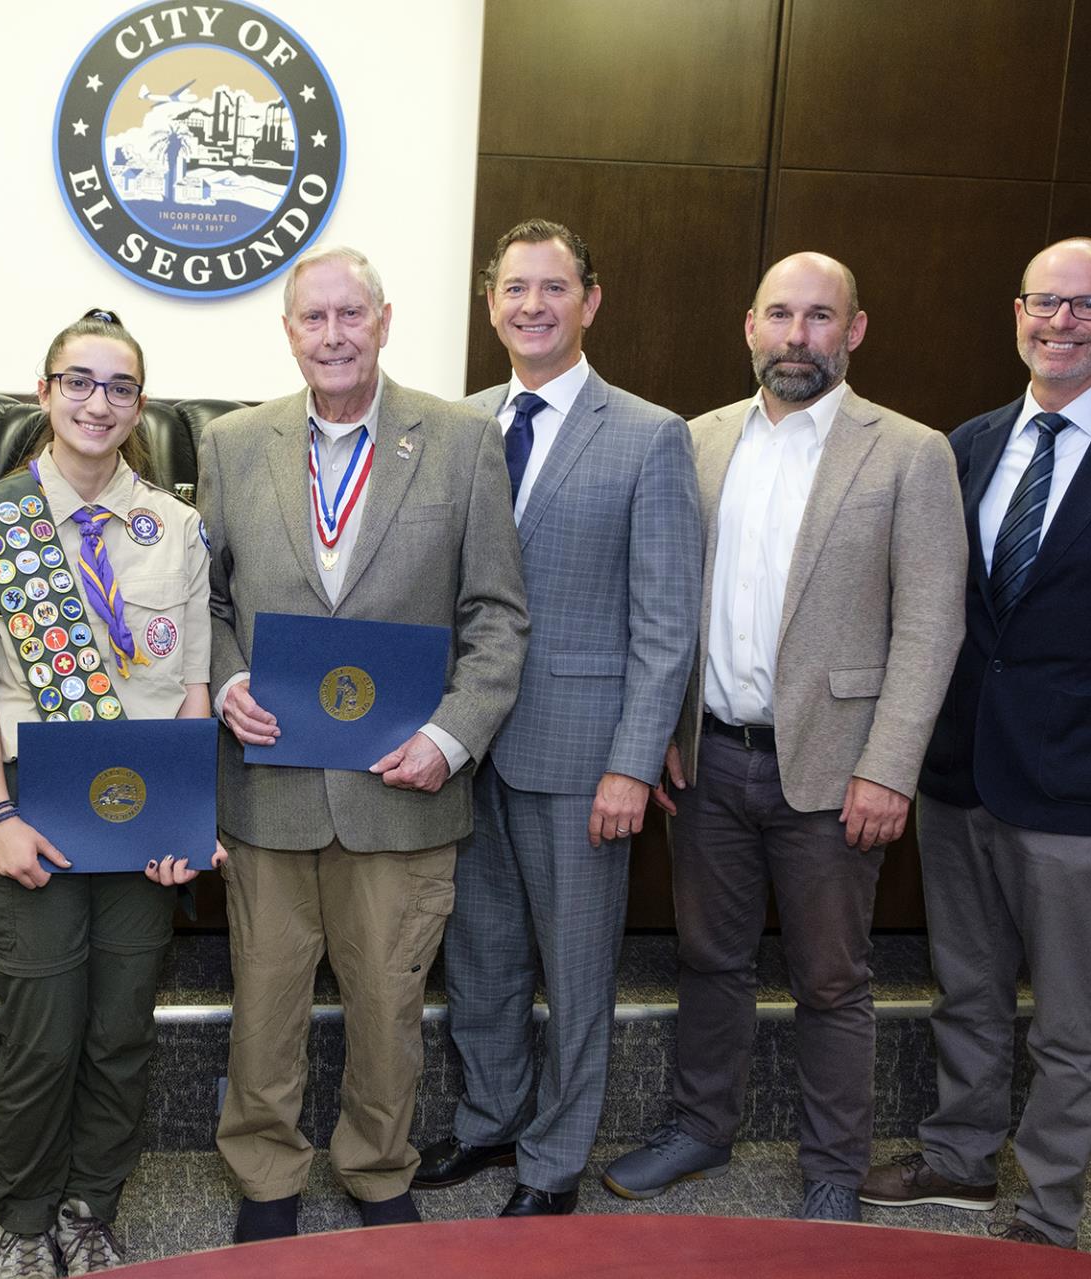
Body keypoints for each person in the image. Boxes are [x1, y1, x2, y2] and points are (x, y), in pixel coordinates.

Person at [861, 238, 1091, 1248]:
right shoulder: (969, 443)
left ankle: (1052, 1203)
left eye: (1086, 307)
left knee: (1072, 1018)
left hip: (1086, 783)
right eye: (1044, 303)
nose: (1060, 323)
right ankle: (959, 1158)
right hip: (962, 769)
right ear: (1016, 310)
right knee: (967, 986)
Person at [601, 252, 966, 1222]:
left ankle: (834, 1168)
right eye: (780, 316)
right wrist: (666, 729)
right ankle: (698, 1127)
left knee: (834, 979)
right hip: (709, 757)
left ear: (855, 330)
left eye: (819, 317)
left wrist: (889, 767)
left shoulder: (909, 452)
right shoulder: (697, 441)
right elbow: (668, 600)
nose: (797, 336)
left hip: (839, 768)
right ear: (749, 326)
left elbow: (932, 626)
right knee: (707, 957)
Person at [199, 246, 529, 1242]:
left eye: (352, 315)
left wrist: (450, 736)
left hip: (405, 783)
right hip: (271, 782)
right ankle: (266, 1173)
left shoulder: (464, 441)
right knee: (266, 993)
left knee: (388, 999)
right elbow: (203, 598)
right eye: (315, 318)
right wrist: (224, 681)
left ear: (384, 322)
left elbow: (498, 617)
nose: (334, 335)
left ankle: (379, 1164)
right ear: (290, 331)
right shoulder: (231, 443)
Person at [0, 308, 221, 1278]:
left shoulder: (175, 527)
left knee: (123, 1025)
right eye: (79, 381)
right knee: (43, 1033)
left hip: (141, 814)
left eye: (121, 386)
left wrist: (186, 820)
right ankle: (25, 1213)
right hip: (31, 810)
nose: (100, 402)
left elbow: (194, 690)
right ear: (42, 393)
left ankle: (92, 1204)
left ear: (141, 406)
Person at [414, 219, 701, 1215]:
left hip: (581, 757)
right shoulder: (457, 423)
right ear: (489, 301)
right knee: (480, 957)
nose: (531, 305)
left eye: (553, 287)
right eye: (513, 288)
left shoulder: (649, 433)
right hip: (462, 748)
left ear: (591, 299)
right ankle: (491, 1121)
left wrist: (632, 760)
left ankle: (554, 1158)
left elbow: (667, 620)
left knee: (575, 970)